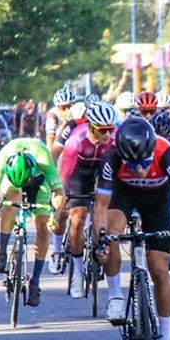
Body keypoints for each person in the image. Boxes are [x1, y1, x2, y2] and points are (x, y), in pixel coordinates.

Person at [93, 117, 170, 340]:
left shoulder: (165, 153)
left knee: (160, 270)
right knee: (111, 232)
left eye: (145, 163)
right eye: (133, 164)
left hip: (157, 201)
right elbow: (101, 208)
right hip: (123, 195)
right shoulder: (112, 156)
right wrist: (100, 241)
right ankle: (115, 295)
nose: (139, 169)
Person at [0, 138, 66, 307]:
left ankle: (35, 282)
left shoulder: (43, 159)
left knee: (43, 228)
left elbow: (58, 192)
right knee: (11, 202)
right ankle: (1, 253)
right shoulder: (4, 156)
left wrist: (55, 216)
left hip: (38, 181)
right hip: (12, 180)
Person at [56, 101, 118, 297]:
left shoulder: (114, 141)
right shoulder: (76, 142)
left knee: (107, 215)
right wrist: (60, 198)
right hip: (79, 172)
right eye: (103, 130)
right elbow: (64, 176)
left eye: (111, 129)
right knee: (78, 217)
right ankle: (78, 274)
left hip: (104, 170)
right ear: (91, 127)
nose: (108, 134)